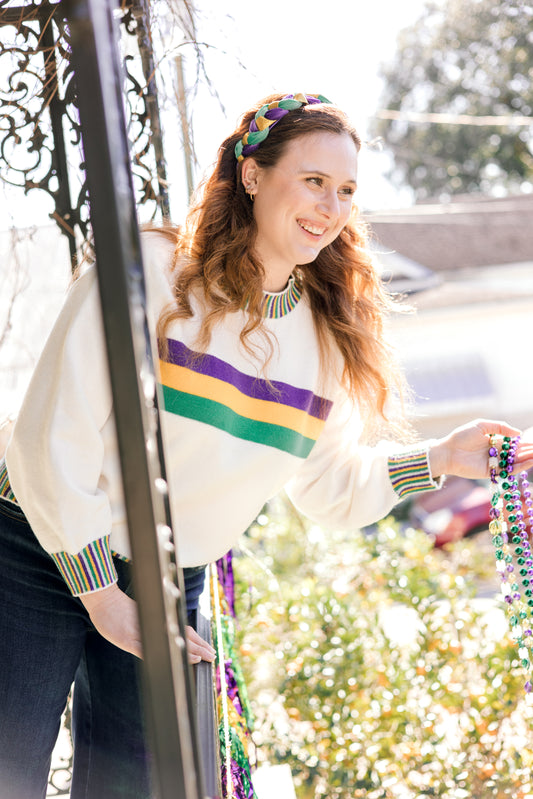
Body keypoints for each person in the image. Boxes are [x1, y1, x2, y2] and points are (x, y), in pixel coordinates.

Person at [0, 91, 532, 799]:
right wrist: (101, 595)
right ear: (252, 175)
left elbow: (330, 488)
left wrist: (440, 457)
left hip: (166, 578)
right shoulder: (147, 275)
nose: (330, 206)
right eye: (313, 181)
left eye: (345, 190)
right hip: (39, 548)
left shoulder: (324, 340)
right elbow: (49, 439)